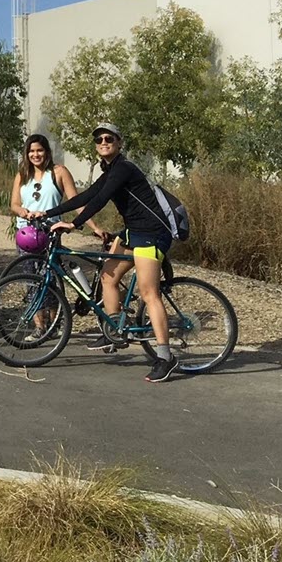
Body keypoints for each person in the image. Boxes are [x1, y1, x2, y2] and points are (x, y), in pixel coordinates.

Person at [46, 121, 180, 382]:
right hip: (133, 232)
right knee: (108, 277)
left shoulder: (124, 168)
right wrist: (48, 213)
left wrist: (74, 224)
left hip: (152, 233)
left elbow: (100, 200)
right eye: (99, 140)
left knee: (148, 292)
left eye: (109, 138)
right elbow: (86, 196)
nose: (103, 142)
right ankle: (114, 329)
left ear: (119, 142)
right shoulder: (110, 171)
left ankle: (165, 356)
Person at [10, 133, 77, 244]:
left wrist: (94, 227)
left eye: (39, 150)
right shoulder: (22, 175)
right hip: (25, 233)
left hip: (50, 230)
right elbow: (14, 204)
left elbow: (77, 202)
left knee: (50, 262)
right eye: (31, 151)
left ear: (47, 152)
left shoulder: (59, 172)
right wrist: (22, 211)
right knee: (26, 262)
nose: (35, 155)